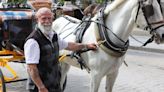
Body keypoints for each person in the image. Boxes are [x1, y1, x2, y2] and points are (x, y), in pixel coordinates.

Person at [24, 7, 97, 92]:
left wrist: (86, 46)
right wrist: (41, 87)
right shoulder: (33, 41)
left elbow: (69, 45)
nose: (47, 21)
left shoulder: (53, 35)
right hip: (39, 87)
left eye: (49, 18)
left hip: (54, 84)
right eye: (43, 18)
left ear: (53, 19)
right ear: (37, 20)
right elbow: (31, 68)